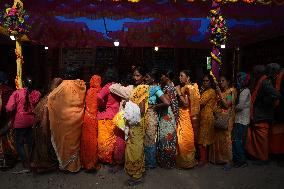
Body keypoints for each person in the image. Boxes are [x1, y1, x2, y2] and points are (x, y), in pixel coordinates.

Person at [48, 66, 86, 172]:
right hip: (78, 119)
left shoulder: (65, 84)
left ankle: (67, 165)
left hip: (65, 120)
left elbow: (51, 97)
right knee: (75, 143)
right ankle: (75, 165)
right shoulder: (82, 84)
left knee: (66, 142)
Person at [246, 64, 281, 164]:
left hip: (262, 114)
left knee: (262, 139)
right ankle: (259, 156)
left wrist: (278, 97)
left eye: (255, 73)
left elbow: (274, 93)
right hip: (262, 114)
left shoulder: (264, 81)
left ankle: (263, 158)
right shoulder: (265, 80)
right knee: (258, 138)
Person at [6, 77, 41, 170]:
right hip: (31, 121)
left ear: (23, 83)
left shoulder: (17, 93)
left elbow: (9, 108)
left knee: (19, 143)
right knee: (30, 142)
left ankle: (25, 164)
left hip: (20, 122)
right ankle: (32, 161)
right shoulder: (36, 94)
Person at [30, 78, 62, 173]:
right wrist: (44, 129)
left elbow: (36, 111)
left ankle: (38, 163)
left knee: (39, 146)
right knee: (44, 146)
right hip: (43, 126)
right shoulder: (52, 97)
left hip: (38, 124)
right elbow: (45, 114)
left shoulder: (47, 96)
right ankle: (44, 164)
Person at [124, 66, 149, 186]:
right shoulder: (137, 87)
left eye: (138, 75)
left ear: (143, 77)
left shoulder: (143, 88)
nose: (135, 77)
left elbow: (142, 109)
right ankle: (140, 169)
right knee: (135, 147)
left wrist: (128, 104)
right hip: (135, 122)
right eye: (134, 75)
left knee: (135, 149)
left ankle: (137, 176)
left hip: (138, 123)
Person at [97, 68, 123, 170]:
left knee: (106, 139)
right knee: (114, 139)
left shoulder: (108, 87)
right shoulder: (118, 86)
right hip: (117, 117)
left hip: (107, 116)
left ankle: (107, 159)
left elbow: (99, 97)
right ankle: (114, 158)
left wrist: (102, 105)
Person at [144, 69, 170, 169]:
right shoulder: (147, 86)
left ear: (153, 78)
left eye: (147, 77)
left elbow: (167, 102)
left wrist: (155, 106)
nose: (145, 79)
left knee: (150, 138)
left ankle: (151, 163)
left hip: (151, 115)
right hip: (145, 114)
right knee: (146, 137)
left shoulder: (156, 89)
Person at [209, 74, 236, 171]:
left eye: (223, 81)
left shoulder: (231, 92)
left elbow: (226, 105)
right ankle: (219, 159)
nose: (221, 83)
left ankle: (229, 161)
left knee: (226, 140)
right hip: (218, 118)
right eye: (220, 81)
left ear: (228, 82)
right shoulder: (221, 92)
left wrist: (219, 93)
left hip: (227, 120)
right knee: (218, 139)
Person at [175, 70, 197, 169]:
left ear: (188, 78)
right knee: (180, 139)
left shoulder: (189, 88)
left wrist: (179, 92)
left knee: (186, 139)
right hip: (181, 115)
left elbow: (186, 104)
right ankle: (183, 162)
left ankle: (188, 163)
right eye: (179, 75)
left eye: (181, 75)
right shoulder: (184, 87)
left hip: (186, 116)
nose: (179, 77)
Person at [158, 70, 178, 168]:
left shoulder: (168, 88)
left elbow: (168, 102)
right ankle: (169, 161)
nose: (161, 78)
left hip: (167, 114)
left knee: (165, 136)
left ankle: (166, 161)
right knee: (168, 136)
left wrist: (156, 106)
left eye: (162, 76)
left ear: (167, 77)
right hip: (169, 114)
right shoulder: (171, 86)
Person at [80, 75, 101, 172]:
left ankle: (85, 163)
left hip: (86, 117)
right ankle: (92, 163)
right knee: (93, 141)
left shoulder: (88, 91)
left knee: (86, 141)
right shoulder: (99, 91)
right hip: (94, 119)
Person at [197, 74, 217, 167]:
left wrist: (198, 94)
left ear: (211, 82)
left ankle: (203, 159)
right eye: (204, 81)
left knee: (203, 139)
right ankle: (206, 158)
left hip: (207, 118)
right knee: (204, 138)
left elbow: (201, 102)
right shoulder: (206, 91)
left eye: (207, 81)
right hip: (203, 117)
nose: (205, 83)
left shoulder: (211, 91)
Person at [232, 72, 251, 167]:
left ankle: (241, 159)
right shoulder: (238, 90)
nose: (237, 81)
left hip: (241, 120)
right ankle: (238, 159)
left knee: (237, 140)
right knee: (236, 140)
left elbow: (239, 106)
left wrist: (231, 109)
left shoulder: (244, 91)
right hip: (237, 119)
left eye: (239, 79)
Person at [269, 65, 284, 160]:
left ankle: (279, 154)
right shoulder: (277, 77)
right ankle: (277, 153)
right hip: (277, 109)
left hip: (281, 109)